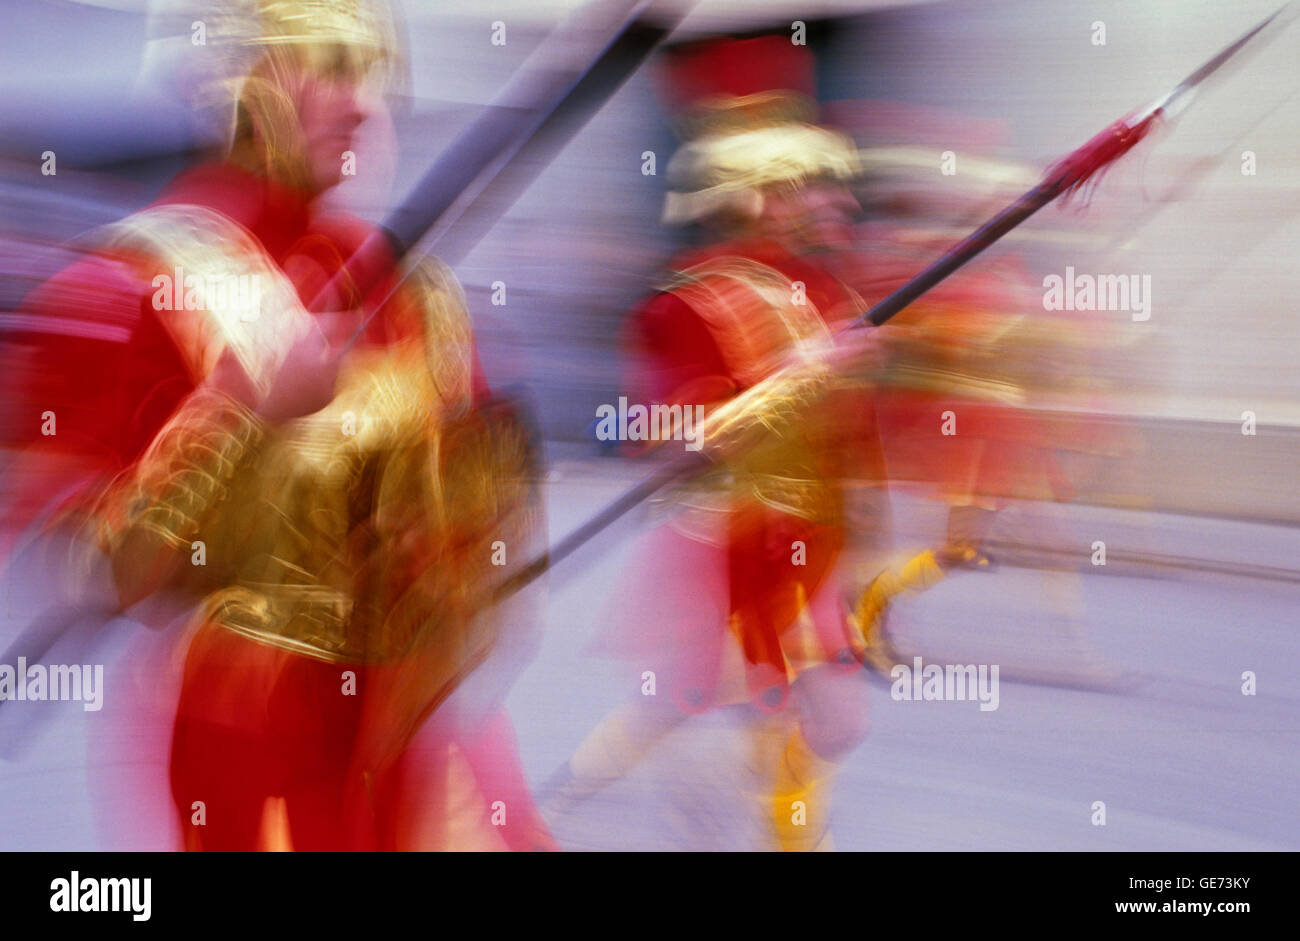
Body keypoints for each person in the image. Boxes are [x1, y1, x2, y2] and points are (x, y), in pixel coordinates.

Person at [1, 0, 553, 851]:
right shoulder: (142, 280)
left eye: (372, 74)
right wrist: (235, 410)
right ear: (248, 77)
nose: (364, 103)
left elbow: (474, 532)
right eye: (330, 68)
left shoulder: (412, 289)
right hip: (250, 739)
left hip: (409, 730)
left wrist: (478, 505)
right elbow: (96, 570)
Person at [544, 35, 884, 851]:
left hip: (805, 548)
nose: (832, 203)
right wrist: (805, 376)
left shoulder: (823, 292)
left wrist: (863, 534)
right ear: (761, 192)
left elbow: (846, 438)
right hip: (724, 549)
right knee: (702, 726)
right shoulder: (686, 304)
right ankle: (563, 806)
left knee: (828, 722)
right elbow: (670, 438)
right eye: (808, 186)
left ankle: (586, 799)